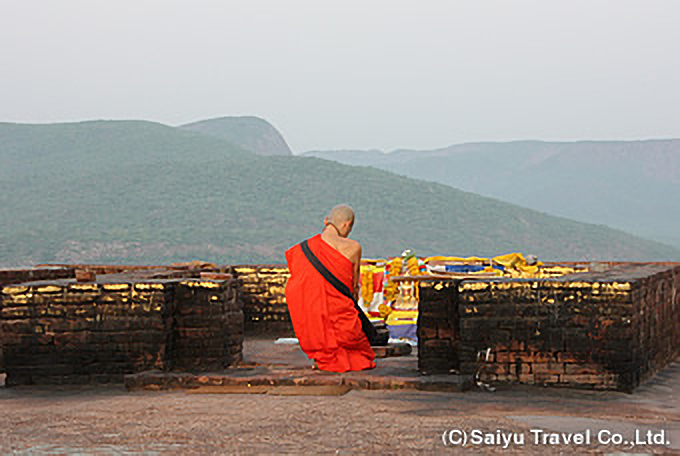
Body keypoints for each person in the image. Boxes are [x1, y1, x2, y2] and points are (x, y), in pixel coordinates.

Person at [284, 204, 376, 372]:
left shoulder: (302, 249)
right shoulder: (353, 247)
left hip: (313, 308)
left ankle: (324, 357)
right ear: (346, 225)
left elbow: (299, 282)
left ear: (326, 221)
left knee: (321, 329)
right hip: (341, 308)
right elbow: (353, 285)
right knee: (357, 350)